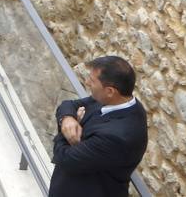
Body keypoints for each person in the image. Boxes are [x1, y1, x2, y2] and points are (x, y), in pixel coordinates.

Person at [49, 56, 148, 197]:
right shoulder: (114, 101)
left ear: (110, 91)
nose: (87, 82)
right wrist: (68, 119)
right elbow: (69, 105)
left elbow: (64, 158)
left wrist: (64, 134)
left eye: (92, 80)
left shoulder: (117, 137)